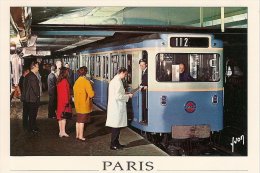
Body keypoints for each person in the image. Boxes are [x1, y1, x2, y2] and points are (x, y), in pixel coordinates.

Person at [106, 67, 133, 150]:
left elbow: (118, 93)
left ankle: (116, 143)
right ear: (121, 72)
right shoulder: (117, 82)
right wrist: (128, 96)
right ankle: (113, 144)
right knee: (116, 127)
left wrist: (125, 93)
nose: (125, 76)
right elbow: (118, 96)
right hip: (116, 107)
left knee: (117, 126)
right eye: (124, 74)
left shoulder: (115, 80)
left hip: (116, 106)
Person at [73, 66, 95, 141]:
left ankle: (77, 135)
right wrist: (91, 85)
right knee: (82, 121)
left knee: (78, 120)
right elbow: (91, 94)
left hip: (77, 104)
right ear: (85, 72)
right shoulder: (86, 81)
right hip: (84, 105)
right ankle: (81, 136)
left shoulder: (77, 81)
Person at [21, 61, 40, 133]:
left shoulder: (27, 75)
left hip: (27, 99)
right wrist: (38, 96)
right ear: (34, 67)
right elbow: (35, 88)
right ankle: (32, 128)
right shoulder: (33, 76)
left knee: (28, 114)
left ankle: (29, 127)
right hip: (32, 99)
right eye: (37, 67)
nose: (38, 68)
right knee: (33, 114)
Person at [56, 67, 71, 138]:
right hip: (64, 102)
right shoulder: (65, 81)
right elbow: (65, 92)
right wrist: (66, 102)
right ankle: (63, 131)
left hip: (60, 101)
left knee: (60, 117)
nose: (68, 73)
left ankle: (60, 131)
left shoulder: (59, 81)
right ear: (65, 73)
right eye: (67, 72)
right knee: (64, 117)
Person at [139, 59, 148, 124]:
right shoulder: (144, 71)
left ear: (146, 65)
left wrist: (143, 87)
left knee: (144, 105)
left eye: (143, 65)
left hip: (146, 92)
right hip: (144, 91)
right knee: (143, 105)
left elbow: (147, 83)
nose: (141, 66)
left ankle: (145, 119)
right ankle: (144, 119)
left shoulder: (147, 72)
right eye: (140, 65)